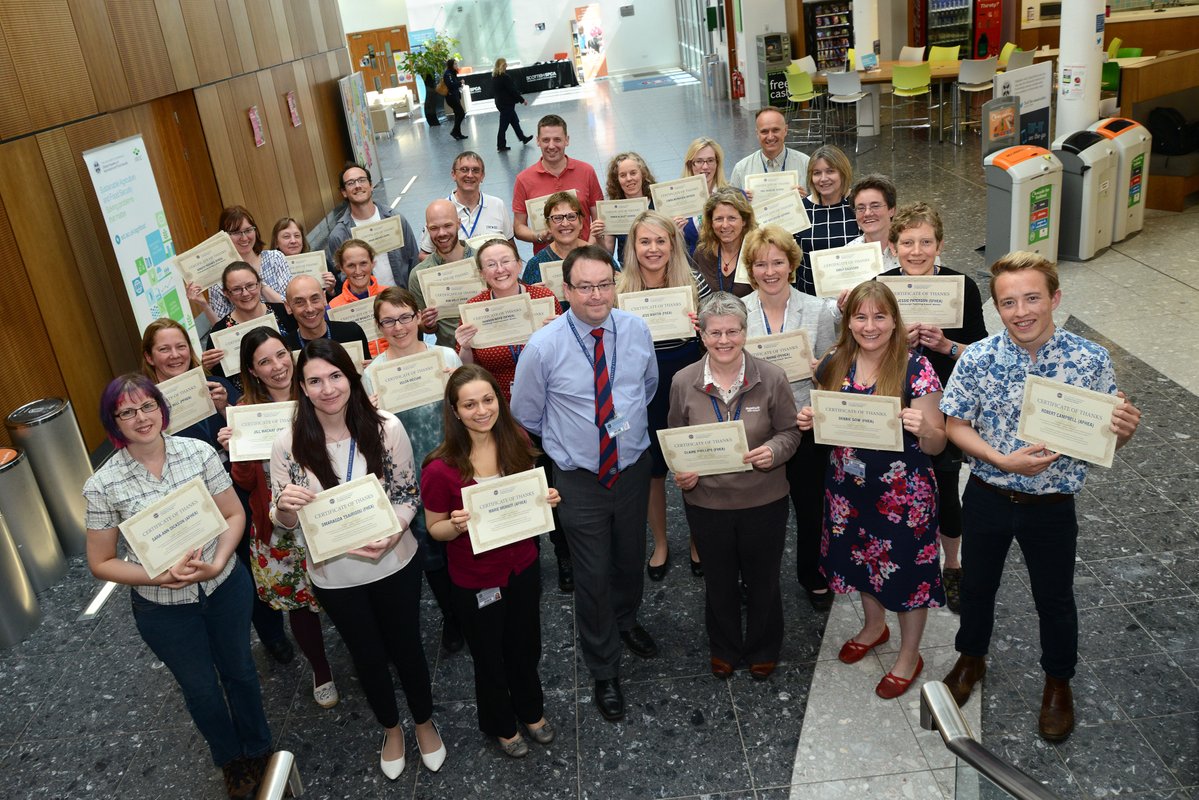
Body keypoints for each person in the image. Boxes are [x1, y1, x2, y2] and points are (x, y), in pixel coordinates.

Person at [939, 252, 1141, 741]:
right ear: (997, 307)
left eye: (1032, 298)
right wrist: (1001, 460)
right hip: (989, 495)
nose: (1021, 311)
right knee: (978, 587)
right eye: (1008, 302)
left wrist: (1124, 431)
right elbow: (954, 424)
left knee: (1054, 598)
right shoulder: (979, 357)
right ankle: (971, 657)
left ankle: (1058, 681)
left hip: (1052, 506)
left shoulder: (1089, 360)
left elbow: (1105, 437)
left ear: (1054, 298)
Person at [83, 373, 271, 799]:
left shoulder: (198, 452)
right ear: (113, 423)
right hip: (163, 609)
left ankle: (260, 747)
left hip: (224, 586)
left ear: (162, 408)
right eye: (126, 412)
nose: (141, 417)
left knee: (240, 671)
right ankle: (231, 760)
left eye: (148, 406)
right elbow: (101, 562)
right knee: (201, 689)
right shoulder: (102, 485)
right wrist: (160, 575)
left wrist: (220, 559)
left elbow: (234, 515)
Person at [270, 339, 446, 779]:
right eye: (315, 380)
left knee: (408, 646)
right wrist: (285, 509)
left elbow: (408, 494)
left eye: (335, 376)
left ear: (351, 377)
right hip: (334, 574)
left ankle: (424, 722)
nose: (328, 388)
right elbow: (285, 523)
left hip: (394, 561)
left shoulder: (387, 428)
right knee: (366, 654)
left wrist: (394, 532)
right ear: (303, 388)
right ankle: (391, 728)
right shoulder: (288, 444)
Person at [511, 245, 660, 722]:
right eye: (585, 286)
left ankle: (626, 617)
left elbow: (648, 387)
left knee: (630, 556)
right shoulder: (544, 346)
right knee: (592, 574)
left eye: (605, 284)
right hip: (579, 477)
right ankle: (604, 667)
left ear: (615, 285)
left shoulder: (636, 329)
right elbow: (526, 414)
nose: (597, 295)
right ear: (565, 290)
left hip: (633, 467)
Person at [797, 281, 947, 699]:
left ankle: (909, 653)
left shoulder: (916, 368)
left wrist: (927, 429)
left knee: (908, 574)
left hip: (903, 497)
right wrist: (810, 417)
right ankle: (874, 625)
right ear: (848, 322)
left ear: (895, 321)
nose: (870, 325)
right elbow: (829, 418)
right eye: (860, 316)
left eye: (880, 316)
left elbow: (938, 443)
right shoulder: (834, 360)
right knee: (861, 561)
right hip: (848, 490)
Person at [421, 365, 562, 757]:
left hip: (523, 565)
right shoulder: (439, 468)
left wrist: (545, 498)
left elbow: (528, 493)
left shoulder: (516, 439)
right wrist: (455, 524)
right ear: (454, 410)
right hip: (476, 577)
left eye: (488, 400)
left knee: (526, 644)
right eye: (470, 404)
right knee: (488, 655)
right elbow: (434, 529)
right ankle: (501, 723)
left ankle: (531, 711)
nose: (481, 410)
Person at [141, 319, 294, 664]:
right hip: (185, 505)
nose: (175, 355)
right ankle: (217, 645)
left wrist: (226, 409)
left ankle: (272, 634)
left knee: (246, 563)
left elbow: (253, 431)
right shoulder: (145, 404)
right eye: (164, 349)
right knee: (202, 573)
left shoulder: (217, 386)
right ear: (149, 357)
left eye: (181, 346)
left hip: (230, 494)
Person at [668, 292, 801, 680]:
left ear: (745, 332)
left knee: (764, 580)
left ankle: (763, 646)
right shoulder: (683, 381)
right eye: (715, 333)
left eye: (732, 331)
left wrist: (773, 452)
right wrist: (684, 472)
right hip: (707, 503)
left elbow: (790, 431)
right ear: (702, 336)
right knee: (719, 581)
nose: (723, 340)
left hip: (764, 499)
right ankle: (724, 646)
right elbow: (677, 438)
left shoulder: (771, 377)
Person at [218, 328, 338, 710]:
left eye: (280, 355)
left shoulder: (319, 392)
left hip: (329, 513)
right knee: (299, 602)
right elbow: (245, 482)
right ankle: (320, 668)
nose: (277, 366)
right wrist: (235, 451)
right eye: (264, 361)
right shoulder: (245, 412)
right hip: (279, 525)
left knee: (344, 591)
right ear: (252, 371)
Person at [879, 202, 987, 613]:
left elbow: (982, 351)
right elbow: (864, 342)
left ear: (940, 244)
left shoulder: (963, 286)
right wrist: (895, 345)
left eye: (926, 242)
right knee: (896, 483)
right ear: (893, 246)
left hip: (947, 403)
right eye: (907, 242)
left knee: (944, 484)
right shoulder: (882, 285)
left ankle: (953, 564)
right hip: (896, 400)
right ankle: (898, 553)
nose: (917, 251)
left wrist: (946, 346)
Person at [456, 239, 573, 592]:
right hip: (501, 417)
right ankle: (528, 556)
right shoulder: (474, 311)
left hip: (549, 408)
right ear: (481, 273)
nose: (500, 269)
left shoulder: (543, 298)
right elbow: (469, 373)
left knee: (555, 482)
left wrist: (561, 328)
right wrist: (462, 347)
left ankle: (565, 554)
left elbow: (567, 354)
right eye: (490, 264)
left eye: (505, 261)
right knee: (518, 484)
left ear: (519, 263)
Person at [741, 226, 839, 610]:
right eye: (761, 263)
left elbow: (833, 370)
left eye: (777, 262)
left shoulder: (816, 309)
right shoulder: (739, 311)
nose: (770, 271)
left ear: (792, 264)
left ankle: (813, 574)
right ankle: (753, 576)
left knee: (812, 506)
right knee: (755, 513)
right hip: (755, 425)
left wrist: (821, 370)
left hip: (805, 420)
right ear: (751, 269)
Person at [364, 286, 465, 654]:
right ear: (378, 328)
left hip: (454, 464)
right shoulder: (372, 375)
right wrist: (368, 413)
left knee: (466, 536)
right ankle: (452, 616)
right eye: (388, 321)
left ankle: (476, 606)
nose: (399, 326)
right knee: (431, 553)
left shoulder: (445, 356)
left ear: (419, 317)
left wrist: (455, 383)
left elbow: (468, 408)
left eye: (405, 316)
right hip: (408, 479)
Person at [618, 211, 711, 580]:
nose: (653, 249)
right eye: (645, 241)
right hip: (643, 389)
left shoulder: (693, 282)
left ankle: (697, 540)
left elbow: (716, 341)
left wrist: (702, 329)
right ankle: (660, 542)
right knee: (653, 470)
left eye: (661, 241)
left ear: (673, 244)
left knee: (694, 465)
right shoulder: (620, 287)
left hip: (688, 381)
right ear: (633, 247)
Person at [198, 262, 297, 393]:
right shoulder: (219, 333)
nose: (245, 293)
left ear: (259, 284)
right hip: (250, 403)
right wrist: (208, 366)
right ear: (226, 293)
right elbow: (223, 383)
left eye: (250, 286)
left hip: (294, 389)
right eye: (237, 289)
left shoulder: (284, 313)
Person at [512, 114, 604, 254]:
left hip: (584, 255)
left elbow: (598, 218)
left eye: (557, 140)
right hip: (548, 261)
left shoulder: (586, 171)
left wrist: (588, 249)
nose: (551, 146)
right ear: (538, 141)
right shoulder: (524, 179)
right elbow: (519, 227)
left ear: (567, 140)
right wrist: (538, 237)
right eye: (545, 140)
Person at [189, 206, 292, 326]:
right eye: (236, 233)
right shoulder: (219, 278)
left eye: (248, 230)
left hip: (285, 328)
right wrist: (203, 304)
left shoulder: (275, 258)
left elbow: (290, 305)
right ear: (224, 237)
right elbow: (222, 328)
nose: (244, 238)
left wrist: (258, 284)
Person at [325, 163, 420, 289]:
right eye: (351, 183)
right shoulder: (339, 235)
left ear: (371, 185)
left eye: (362, 180)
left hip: (402, 297)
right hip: (367, 302)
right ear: (344, 192)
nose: (358, 186)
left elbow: (413, 259)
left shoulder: (395, 219)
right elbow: (341, 278)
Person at [408, 199, 477, 348]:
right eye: (434, 228)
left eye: (447, 225)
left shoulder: (483, 261)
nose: (442, 233)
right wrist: (428, 324)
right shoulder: (419, 275)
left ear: (459, 223)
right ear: (427, 229)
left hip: (491, 352)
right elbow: (425, 327)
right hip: (451, 354)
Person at [418, 152, 514, 257]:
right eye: (464, 170)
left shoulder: (497, 205)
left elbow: (510, 245)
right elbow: (424, 254)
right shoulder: (439, 210)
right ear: (453, 174)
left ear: (482, 176)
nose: (470, 175)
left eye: (476, 170)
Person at [796, 144, 860, 297]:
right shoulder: (801, 209)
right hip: (810, 299)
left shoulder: (859, 205)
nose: (823, 179)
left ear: (843, 173)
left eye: (830, 171)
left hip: (854, 300)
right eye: (817, 173)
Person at [591, 151, 656, 267]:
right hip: (629, 272)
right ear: (617, 180)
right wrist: (598, 237)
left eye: (633, 173)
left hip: (658, 267)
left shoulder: (657, 203)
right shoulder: (612, 210)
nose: (629, 179)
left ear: (643, 174)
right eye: (623, 175)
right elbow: (607, 253)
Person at [728, 107, 810, 194]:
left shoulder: (805, 164)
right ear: (757, 134)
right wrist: (742, 201)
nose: (770, 137)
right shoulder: (741, 169)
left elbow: (820, 202)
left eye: (775, 130)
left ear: (785, 130)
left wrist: (807, 199)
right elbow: (731, 206)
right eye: (764, 131)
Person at [282, 275, 371, 355]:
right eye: (299, 302)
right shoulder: (285, 349)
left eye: (315, 299)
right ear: (288, 307)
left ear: (324, 298)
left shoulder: (352, 333)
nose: (310, 309)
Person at [329, 238, 387, 357]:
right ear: (341, 268)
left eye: (363, 263)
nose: (358, 271)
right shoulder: (333, 308)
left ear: (373, 264)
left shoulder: (390, 295)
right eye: (351, 265)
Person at [521, 191, 591, 288]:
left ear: (581, 223)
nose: (565, 223)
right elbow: (525, 301)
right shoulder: (535, 265)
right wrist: (533, 294)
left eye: (571, 216)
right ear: (548, 225)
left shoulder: (601, 258)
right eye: (557, 218)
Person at [693, 188, 755, 297]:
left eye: (732, 218)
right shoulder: (702, 254)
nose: (725, 225)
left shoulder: (756, 253)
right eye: (719, 219)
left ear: (744, 221)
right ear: (711, 222)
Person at [678, 137, 732, 254]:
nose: (705, 167)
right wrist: (677, 233)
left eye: (710, 160)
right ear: (690, 165)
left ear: (717, 163)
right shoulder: (678, 198)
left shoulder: (730, 195)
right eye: (699, 161)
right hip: (693, 265)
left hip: (727, 262)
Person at [846, 174, 901, 272]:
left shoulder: (912, 249)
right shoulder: (847, 253)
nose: (867, 213)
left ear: (892, 210)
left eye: (875, 206)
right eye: (861, 208)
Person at [272, 216, 336, 294]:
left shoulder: (320, 262)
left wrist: (331, 290)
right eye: (286, 237)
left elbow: (341, 294)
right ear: (276, 243)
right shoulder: (271, 271)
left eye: (297, 236)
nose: (293, 241)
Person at [492, 58, 532, 151]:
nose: (507, 65)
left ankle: (523, 138)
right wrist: (522, 100)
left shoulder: (495, 77)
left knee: (514, 121)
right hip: (507, 104)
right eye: (505, 64)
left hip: (500, 102)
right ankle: (501, 145)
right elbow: (512, 90)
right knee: (503, 125)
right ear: (503, 65)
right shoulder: (504, 77)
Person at [443, 58, 467, 140]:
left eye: (457, 64)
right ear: (451, 65)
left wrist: (459, 83)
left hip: (455, 96)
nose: (456, 65)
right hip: (451, 97)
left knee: (458, 114)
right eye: (455, 64)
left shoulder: (452, 73)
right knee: (461, 113)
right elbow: (451, 85)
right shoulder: (448, 74)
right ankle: (454, 131)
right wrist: (460, 83)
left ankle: (458, 133)